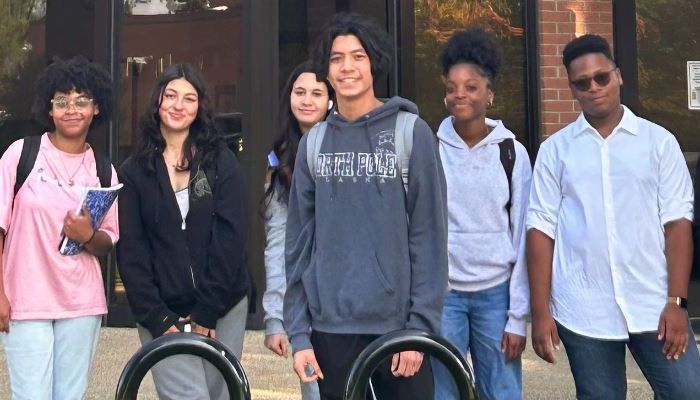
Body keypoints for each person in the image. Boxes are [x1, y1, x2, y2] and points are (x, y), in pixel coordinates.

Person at [284, 13, 448, 400]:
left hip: (397, 328)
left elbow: (429, 236)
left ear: (373, 61)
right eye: (337, 58)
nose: (347, 67)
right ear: (327, 69)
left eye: (357, 56)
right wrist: (298, 334)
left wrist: (419, 328)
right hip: (330, 328)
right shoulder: (315, 143)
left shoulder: (411, 133)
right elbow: (298, 244)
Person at [527, 34, 700, 399]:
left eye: (601, 77)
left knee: (687, 391)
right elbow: (541, 230)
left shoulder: (659, 143)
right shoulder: (555, 151)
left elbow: (678, 225)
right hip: (584, 307)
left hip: (654, 302)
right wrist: (541, 312)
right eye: (582, 82)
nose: (593, 87)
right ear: (572, 89)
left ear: (618, 76)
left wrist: (678, 302)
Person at [117, 63, 250, 400]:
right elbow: (132, 251)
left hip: (223, 305)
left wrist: (208, 307)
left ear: (199, 107)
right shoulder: (134, 172)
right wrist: (157, 317)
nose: (178, 105)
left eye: (189, 98)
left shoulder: (221, 162)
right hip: (162, 311)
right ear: (157, 103)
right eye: (171, 96)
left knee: (221, 394)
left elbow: (231, 237)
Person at [0, 56, 119, 399]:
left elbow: (108, 240)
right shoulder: (21, 155)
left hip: (81, 303)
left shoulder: (103, 169)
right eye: (62, 101)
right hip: (26, 301)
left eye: (82, 100)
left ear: (96, 108)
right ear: (48, 108)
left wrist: (87, 237)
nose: (71, 109)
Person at [431, 28, 531, 400]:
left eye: (471, 87)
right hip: (446, 296)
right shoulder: (430, 148)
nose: (460, 95)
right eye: (453, 87)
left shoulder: (511, 154)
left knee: (501, 392)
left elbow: (522, 234)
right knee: (444, 393)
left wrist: (517, 316)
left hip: (497, 296)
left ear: (489, 93)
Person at [262, 60, 334, 400]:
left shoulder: (346, 148)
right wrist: (275, 315)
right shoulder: (279, 158)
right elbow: (278, 240)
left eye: (317, 93)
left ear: (331, 101)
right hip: (305, 299)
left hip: (351, 296)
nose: (307, 100)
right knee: (314, 390)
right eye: (300, 92)